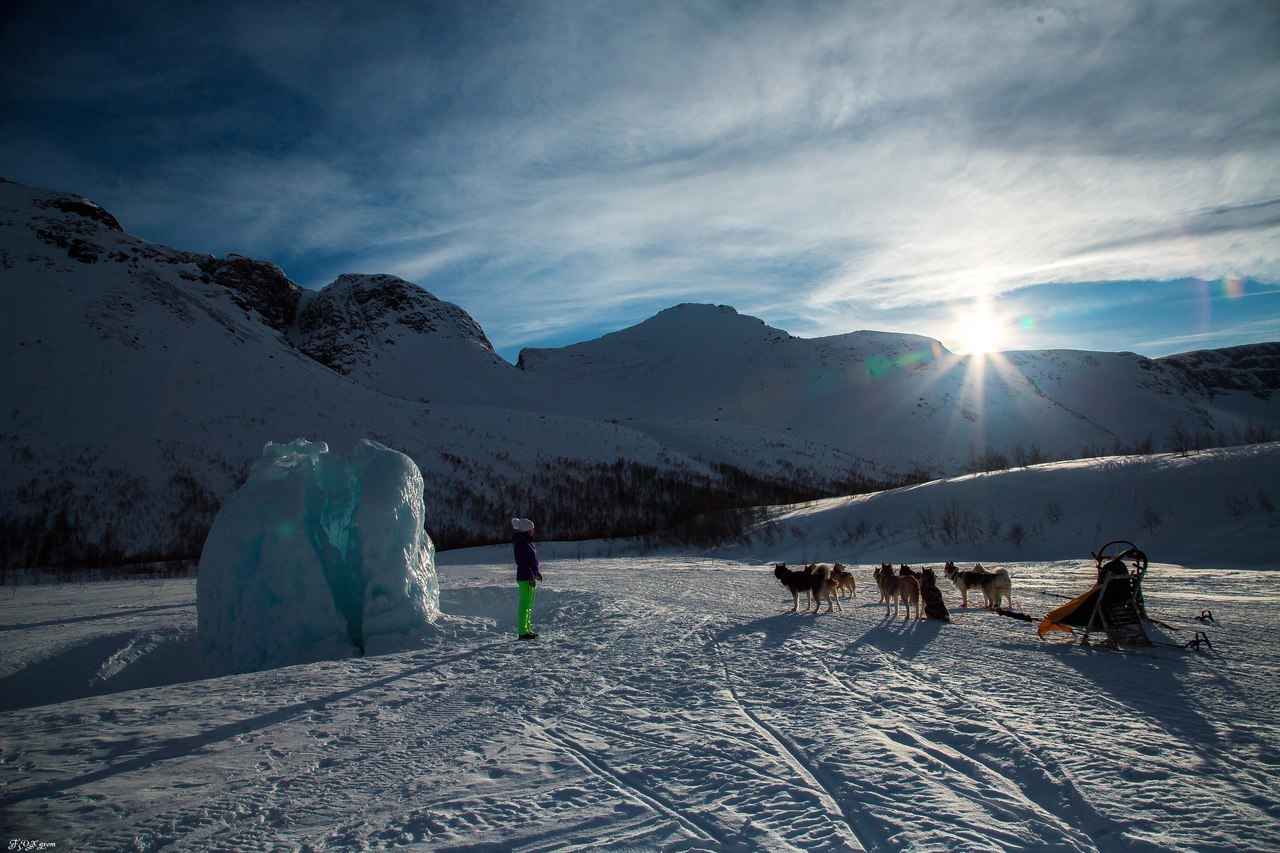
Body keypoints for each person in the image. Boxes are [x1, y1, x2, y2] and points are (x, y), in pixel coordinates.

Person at [511, 517, 542, 639]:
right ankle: (522, 631)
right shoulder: (522, 544)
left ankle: (527, 629)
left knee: (528, 605)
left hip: (529, 577)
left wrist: (537, 573)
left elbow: (532, 562)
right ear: (527, 531)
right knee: (525, 605)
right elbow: (523, 563)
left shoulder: (526, 543)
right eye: (531, 530)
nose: (533, 531)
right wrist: (530, 577)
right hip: (525, 578)